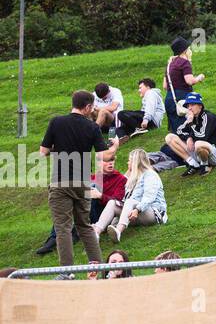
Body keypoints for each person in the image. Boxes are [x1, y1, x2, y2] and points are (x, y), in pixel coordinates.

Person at [39, 90, 116, 272]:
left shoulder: (56, 122)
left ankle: (67, 272)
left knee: (63, 228)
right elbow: (104, 156)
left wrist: (55, 148)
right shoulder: (92, 127)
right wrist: (116, 146)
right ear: (88, 107)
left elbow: (43, 151)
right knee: (85, 226)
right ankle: (97, 268)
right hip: (82, 183)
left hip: (60, 182)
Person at [103, 148, 167, 243]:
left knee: (128, 203)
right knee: (113, 205)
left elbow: (149, 197)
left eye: (129, 160)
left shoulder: (150, 175)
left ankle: (119, 231)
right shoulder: (134, 177)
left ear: (135, 162)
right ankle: (96, 231)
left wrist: (137, 209)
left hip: (155, 213)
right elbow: (123, 193)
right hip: (139, 212)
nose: (127, 163)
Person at [164, 92, 216, 177]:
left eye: (192, 105)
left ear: (200, 106)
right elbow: (179, 130)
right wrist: (188, 138)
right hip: (197, 151)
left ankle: (206, 165)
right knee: (170, 138)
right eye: (188, 106)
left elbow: (202, 136)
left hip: (213, 154)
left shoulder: (208, 117)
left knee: (198, 144)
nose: (189, 108)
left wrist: (190, 124)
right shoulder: (192, 118)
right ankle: (193, 164)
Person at [164, 37, 205, 133]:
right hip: (182, 99)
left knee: (175, 130)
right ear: (185, 50)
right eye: (189, 48)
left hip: (170, 99)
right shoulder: (184, 63)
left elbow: (165, 86)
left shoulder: (170, 64)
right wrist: (199, 77)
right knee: (186, 130)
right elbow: (189, 81)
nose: (190, 50)